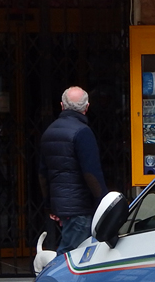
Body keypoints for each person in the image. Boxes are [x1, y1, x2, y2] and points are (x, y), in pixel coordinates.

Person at [38, 86, 107, 254]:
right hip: (80, 207)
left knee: (72, 253)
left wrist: (50, 205)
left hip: (63, 206)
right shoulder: (83, 132)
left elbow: (42, 174)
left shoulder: (49, 132)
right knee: (70, 256)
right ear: (87, 107)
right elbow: (91, 173)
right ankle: (48, 279)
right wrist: (103, 200)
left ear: (62, 105)